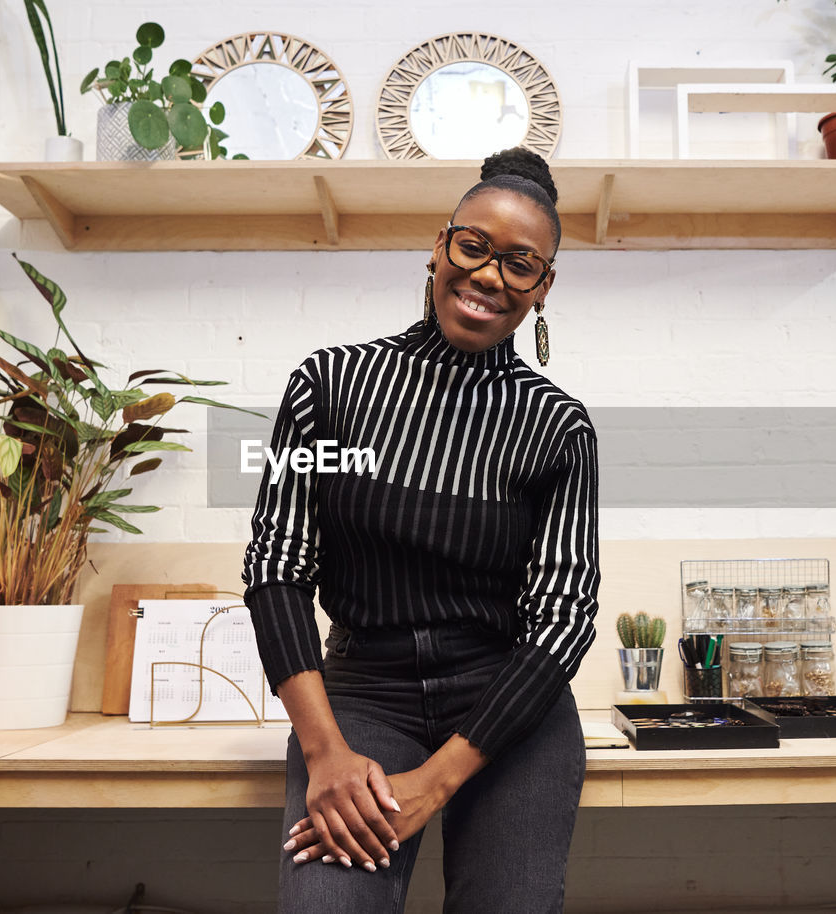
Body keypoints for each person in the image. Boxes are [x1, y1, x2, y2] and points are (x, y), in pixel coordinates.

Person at [240, 146, 600, 913]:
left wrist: (432, 785)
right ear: (440, 245)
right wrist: (326, 754)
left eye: (520, 264)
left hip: (507, 711)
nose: (489, 277)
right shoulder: (331, 386)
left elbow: (565, 616)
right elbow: (276, 565)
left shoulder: (556, 427)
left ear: (543, 288)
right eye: (473, 247)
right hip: (362, 698)